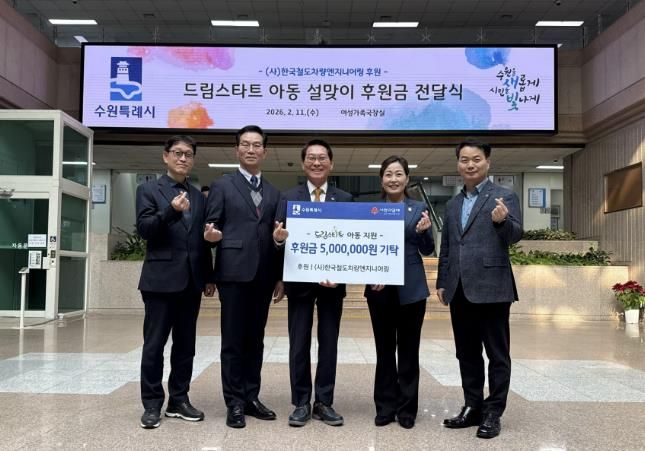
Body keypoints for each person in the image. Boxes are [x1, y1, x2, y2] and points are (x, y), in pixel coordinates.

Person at [437, 138, 523, 439]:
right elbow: (448, 246)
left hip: (492, 287)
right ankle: (472, 406)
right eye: (464, 159)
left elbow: (515, 235)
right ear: (458, 164)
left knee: (497, 354)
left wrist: (502, 222)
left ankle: (493, 412)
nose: (470, 165)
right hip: (459, 288)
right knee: (466, 353)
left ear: (487, 162)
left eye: (476, 159)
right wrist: (442, 281)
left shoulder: (504, 196)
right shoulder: (453, 204)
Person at [203, 125, 284, 429]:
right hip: (233, 273)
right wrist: (211, 237)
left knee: (256, 340)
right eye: (246, 144)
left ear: (265, 151)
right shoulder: (222, 185)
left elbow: (277, 236)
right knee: (233, 340)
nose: (251, 150)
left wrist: (279, 276)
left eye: (257, 145)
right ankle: (234, 402)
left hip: (263, 275)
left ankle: (251, 396)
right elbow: (210, 227)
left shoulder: (274, 192)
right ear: (237, 149)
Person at [136, 135, 216, 429]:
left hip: (191, 283)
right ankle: (152, 404)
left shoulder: (198, 197)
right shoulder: (148, 190)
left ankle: (179, 399)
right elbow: (145, 229)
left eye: (188, 154)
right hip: (159, 282)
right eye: (178, 153)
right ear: (166, 156)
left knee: (185, 346)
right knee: (154, 346)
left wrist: (208, 275)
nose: (183, 158)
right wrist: (171, 210)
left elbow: (201, 240)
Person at [273, 139, 353, 427]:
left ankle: (324, 402)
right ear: (303, 163)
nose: (316, 162)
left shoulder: (345, 199)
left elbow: (350, 242)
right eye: (311, 158)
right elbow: (277, 241)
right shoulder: (287, 198)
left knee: (329, 343)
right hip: (299, 282)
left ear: (331, 163)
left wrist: (342, 274)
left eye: (322, 158)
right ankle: (301, 402)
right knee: (299, 343)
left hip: (333, 284)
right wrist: (278, 242)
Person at [363, 155, 434, 429]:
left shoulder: (419, 209)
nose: (393, 179)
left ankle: (407, 409)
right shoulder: (371, 210)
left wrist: (424, 232)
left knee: (408, 351)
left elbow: (428, 249)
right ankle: (385, 407)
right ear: (381, 179)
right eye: (388, 174)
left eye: (398, 174)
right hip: (379, 289)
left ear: (407, 178)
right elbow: (363, 249)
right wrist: (371, 273)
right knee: (384, 351)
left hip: (411, 289)